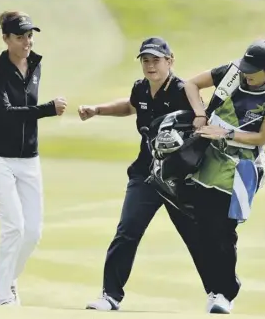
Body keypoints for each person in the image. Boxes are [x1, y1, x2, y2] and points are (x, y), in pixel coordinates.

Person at [78, 37, 212, 311]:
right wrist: (97, 110)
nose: (150, 66)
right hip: (146, 175)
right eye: (146, 61)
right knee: (127, 231)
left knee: (195, 236)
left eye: (156, 60)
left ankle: (217, 293)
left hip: (179, 180)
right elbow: (130, 106)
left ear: (170, 60)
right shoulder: (141, 88)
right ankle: (110, 296)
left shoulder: (184, 90)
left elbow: (204, 123)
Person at [182, 39, 265, 313]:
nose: (247, 74)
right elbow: (190, 84)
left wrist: (227, 133)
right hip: (205, 159)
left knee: (223, 231)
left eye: (253, 70)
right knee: (203, 229)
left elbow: (260, 138)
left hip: (241, 167)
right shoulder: (231, 73)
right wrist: (200, 115)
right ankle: (215, 288)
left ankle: (226, 292)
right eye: (245, 67)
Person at [0, 11, 67, 305]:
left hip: (29, 159)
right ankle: (3, 297)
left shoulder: (36, 64)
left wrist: (45, 110)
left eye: (30, 35)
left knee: (33, 233)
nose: (27, 41)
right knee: (14, 226)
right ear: (6, 39)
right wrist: (48, 109)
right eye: (20, 36)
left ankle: (7, 278)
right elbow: (3, 114)